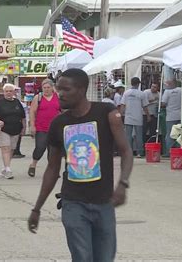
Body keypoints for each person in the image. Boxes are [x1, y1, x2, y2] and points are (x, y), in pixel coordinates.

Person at [28, 69, 133, 261]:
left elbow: (126, 151)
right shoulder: (58, 124)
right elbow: (52, 168)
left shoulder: (106, 113)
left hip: (104, 203)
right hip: (73, 203)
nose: (60, 93)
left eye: (66, 89)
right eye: (58, 89)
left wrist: (123, 184)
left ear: (82, 89)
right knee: (82, 257)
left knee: (104, 258)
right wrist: (37, 208)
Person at [28, 79, 60, 177]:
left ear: (52, 87)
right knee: (40, 147)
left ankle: (53, 170)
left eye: (48, 87)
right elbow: (32, 112)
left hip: (55, 128)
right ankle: (33, 165)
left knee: (53, 150)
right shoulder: (38, 97)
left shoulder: (58, 97)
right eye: (44, 87)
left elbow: (63, 111)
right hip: (41, 127)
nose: (46, 89)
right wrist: (32, 125)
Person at [0, 83, 26, 180]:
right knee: (6, 148)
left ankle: (5, 168)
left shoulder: (17, 102)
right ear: (3, 92)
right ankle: (8, 170)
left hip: (16, 129)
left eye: (10, 91)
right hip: (3, 129)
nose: (8, 93)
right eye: (6, 91)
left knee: (11, 149)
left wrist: (24, 128)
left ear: (14, 92)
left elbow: (23, 117)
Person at [120, 77, 150, 158]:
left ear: (131, 83)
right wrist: (148, 116)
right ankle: (139, 152)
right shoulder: (141, 94)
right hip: (138, 117)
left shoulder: (126, 93)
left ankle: (128, 153)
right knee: (138, 135)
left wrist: (120, 115)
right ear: (138, 84)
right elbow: (145, 106)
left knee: (128, 136)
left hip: (128, 117)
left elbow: (122, 105)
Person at [161, 79, 182, 156]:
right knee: (179, 134)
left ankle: (169, 152)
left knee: (170, 134)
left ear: (170, 84)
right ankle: (178, 150)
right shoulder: (181, 90)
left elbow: (163, 103)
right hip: (180, 116)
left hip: (170, 116)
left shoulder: (167, 92)